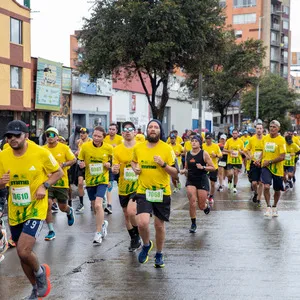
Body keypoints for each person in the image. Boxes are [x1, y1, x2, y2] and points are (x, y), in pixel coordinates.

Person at [0, 120, 63, 299]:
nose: (12, 139)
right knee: (22, 255)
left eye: (16, 135)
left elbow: (58, 172)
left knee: (23, 250)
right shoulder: (3, 156)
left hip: (36, 207)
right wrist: (2, 182)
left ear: (26, 136)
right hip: (15, 210)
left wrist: (45, 185)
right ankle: (35, 288)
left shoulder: (40, 153)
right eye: (9, 136)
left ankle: (41, 273)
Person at [131, 119, 177, 268]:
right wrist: (135, 168)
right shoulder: (138, 147)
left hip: (161, 192)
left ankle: (159, 253)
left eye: (155, 127)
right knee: (142, 223)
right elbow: (133, 161)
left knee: (159, 225)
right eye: (150, 127)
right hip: (143, 190)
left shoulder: (167, 149)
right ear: (147, 130)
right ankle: (146, 245)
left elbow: (176, 172)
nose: (152, 129)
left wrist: (163, 164)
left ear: (160, 131)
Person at [78, 126, 112, 244]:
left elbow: (113, 161)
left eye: (99, 136)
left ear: (104, 137)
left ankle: (98, 233)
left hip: (102, 180)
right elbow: (80, 160)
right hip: (90, 180)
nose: (96, 138)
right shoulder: (85, 147)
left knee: (98, 205)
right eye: (95, 135)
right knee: (94, 206)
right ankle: (102, 223)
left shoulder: (108, 148)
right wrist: (81, 164)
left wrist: (109, 164)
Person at [112, 121, 141, 252]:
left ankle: (138, 235)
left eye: (130, 129)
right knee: (126, 214)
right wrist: (115, 169)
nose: (128, 131)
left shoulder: (141, 147)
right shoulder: (117, 149)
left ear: (135, 132)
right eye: (125, 130)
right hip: (123, 185)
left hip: (138, 185)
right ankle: (134, 238)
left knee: (131, 211)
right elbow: (115, 170)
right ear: (122, 133)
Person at [43, 127, 76, 241]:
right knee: (47, 204)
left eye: (52, 135)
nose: (50, 137)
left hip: (62, 182)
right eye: (48, 135)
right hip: (48, 182)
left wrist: (64, 164)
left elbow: (74, 160)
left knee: (62, 207)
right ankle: (51, 230)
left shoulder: (64, 148)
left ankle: (69, 210)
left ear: (57, 137)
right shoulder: (43, 150)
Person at [180, 135, 214, 233]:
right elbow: (186, 168)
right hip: (191, 180)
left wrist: (203, 167)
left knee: (201, 206)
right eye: (192, 141)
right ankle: (193, 223)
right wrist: (183, 171)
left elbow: (213, 167)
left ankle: (206, 205)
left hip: (202, 180)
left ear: (200, 143)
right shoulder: (188, 154)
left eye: (196, 141)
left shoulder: (204, 154)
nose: (193, 142)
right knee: (192, 202)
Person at [261, 120, 286, 217]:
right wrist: (259, 160)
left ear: (278, 129)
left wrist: (270, 161)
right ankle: (268, 207)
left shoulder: (281, 140)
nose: (272, 128)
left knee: (277, 190)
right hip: (266, 166)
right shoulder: (266, 138)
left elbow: (282, 156)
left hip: (277, 168)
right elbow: (264, 151)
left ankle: (274, 206)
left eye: (274, 127)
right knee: (266, 186)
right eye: (271, 126)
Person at [103, 123, 123, 213]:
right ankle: (109, 204)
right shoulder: (105, 138)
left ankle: (124, 202)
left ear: (116, 131)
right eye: (110, 129)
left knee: (120, 184)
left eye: (113, 129)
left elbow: (123, 148)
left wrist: (117, 147)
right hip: (109, 162)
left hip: (119, 163)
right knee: (109, 183)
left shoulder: (120, 139)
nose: (111, 131)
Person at [245, 123, 264, 206]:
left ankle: (259, 199)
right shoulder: (251, 139)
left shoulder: (266, 139)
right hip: (254, 163)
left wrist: (260, 159)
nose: (259, 130)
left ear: (262, 129)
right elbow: (247, 149)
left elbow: (266, 150)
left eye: (260, 128)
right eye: (257, 128)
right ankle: (256, 193)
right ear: (255, 130)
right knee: (254, 183)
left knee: (261, 182)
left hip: (263, 163)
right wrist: (250, 155)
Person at [75, 127, 92, 213]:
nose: (81, 134)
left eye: (83, 133)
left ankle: (96, 200)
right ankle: (81, 203)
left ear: (87, 134)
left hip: (89, 164)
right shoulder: (79, 142)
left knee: (91, 184)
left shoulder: (91, 142)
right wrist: (77, 153)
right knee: (80, 182)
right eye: (80, 133)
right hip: (80, 163)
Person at [202, 133, 222, 204]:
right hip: (205, 167)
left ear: (212, 139)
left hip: (213, 167)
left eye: (209, 139)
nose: (208, 140)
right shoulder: (202, 146)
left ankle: (211, 196)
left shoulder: (216, 146)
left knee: (212, 184)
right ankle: (206, 195)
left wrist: (216, 155)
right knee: (205, 182)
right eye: (206, 139)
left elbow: (220, 155)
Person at [223, 129, 245, 193]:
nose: (234, 134)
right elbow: (224, 149)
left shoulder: (241, 141)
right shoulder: (229, 141)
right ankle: (229, 181)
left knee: (235, 174)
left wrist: (241, 152)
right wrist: (229, 151)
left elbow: (243, 151)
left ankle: (234, 187)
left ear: (238, 134)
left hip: (238, 161)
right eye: (233, 133)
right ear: (232, 134)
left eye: (236, 133)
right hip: (230, 161)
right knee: (230, 174)